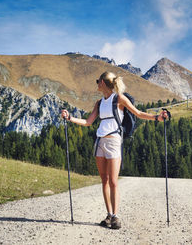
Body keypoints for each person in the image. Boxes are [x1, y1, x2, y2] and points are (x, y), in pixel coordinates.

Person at [61, 71, 168, 229]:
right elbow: (88, 122)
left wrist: (157, 118)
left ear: (103, 83)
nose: (96, 83)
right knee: (104, 181)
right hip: (100, 142)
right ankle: (109, 215)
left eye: (98, 81)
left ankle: (116, 217)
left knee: (113, 181)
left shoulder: (119, 98)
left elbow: (137, 113)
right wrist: (70, 118)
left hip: (113, 142)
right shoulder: (99, 103)